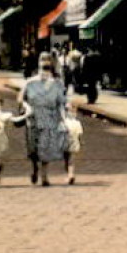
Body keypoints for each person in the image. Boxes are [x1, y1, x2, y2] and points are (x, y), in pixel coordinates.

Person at [17, 56, 74, 185]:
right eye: (43, 67)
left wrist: (66, 114)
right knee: (33, 148)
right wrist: (26, 107)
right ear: (38, 67)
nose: (45, 70)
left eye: (47, 68)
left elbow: (62, 101)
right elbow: (21, 98)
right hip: (33, 119)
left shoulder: (57, 84)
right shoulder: (30, 83)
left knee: (45, 147)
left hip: (49, 118)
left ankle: (44, 175)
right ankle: (34, 168)